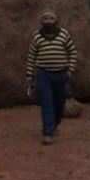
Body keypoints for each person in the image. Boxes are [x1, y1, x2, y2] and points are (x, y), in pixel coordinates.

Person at [25, 10, 78, 145]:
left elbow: (72, 51)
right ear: (41, 22)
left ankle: (54, 124)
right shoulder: (37, 36)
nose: (48, 20)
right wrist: (29, 75)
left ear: (56, 20)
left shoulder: (64, 34)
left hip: (61, 74)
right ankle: (48, 133)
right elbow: (31, 56)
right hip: (44, 74)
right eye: (45, 18)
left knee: (59, 103)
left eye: (51, 18)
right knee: (47, 102)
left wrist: (70, 70)